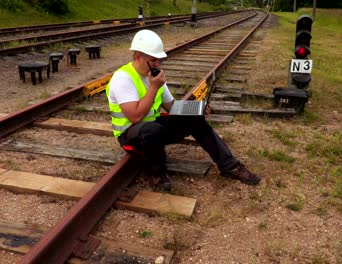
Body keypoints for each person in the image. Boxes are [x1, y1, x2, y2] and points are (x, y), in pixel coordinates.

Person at [106, 29, 261, 191]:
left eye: (159, 60)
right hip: (131, 136)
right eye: (153, 60)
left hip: (153, 130)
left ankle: (229, 165)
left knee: (192, 117)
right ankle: (158, 175)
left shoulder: (153, 76)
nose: (157, 65)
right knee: (152, 129)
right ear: (139, 57)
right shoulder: (123, 78)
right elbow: (135, 116)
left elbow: (171, 106)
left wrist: (196, 108)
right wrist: (153, 87)